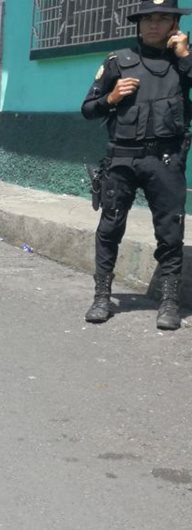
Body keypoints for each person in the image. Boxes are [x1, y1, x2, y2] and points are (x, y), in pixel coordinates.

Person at [82, 0, 192, 330]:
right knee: (110, 227)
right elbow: (88, 109)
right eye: (148, 19)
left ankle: (169, 302)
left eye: (163, 18)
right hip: (122, 158)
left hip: (166, 158)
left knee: (170, 232)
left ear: (175, 24)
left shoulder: (183, 63)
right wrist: (111, 98)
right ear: (138, 24)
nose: (154, 25)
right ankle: (102, 296)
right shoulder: (119, 61)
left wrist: (185, 56)